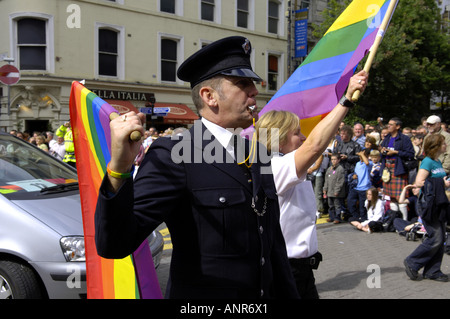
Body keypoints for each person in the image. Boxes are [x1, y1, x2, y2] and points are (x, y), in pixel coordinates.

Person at [94, 36, 302, 299]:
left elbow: (273, 248)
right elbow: (115, 244)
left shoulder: (258, 155)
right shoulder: (173, 155)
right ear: (210, 96)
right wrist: (119, 167)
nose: (254, 91)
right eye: (242, 83)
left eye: (252, 82)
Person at [254, 71, 369, 298]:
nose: (303, 138)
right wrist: (346, 98)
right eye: (297, 133)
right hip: (285, 270)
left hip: (301, 270)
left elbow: (314, 153)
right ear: (278, 138)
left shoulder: (279, 166)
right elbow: (315, 146)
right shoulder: (275, 167)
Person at [404, 134, 450, 282]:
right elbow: (419, 182)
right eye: (443, 143)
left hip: (438, 203)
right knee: (436, 238)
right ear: (435, 146)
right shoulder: (427, 162)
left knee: (441, 238)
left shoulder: (437, 161)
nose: (446, 145)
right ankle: (413, 261)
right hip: (428, 204)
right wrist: (442, 183)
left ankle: (433, 271)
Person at [380, 117, 415, 202]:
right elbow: (382, 154)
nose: (388, 126)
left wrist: (395, 152)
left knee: (400, 197)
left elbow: (411, 154)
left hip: (399, 169)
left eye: (391, 125)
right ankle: (393, 214)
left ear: (398, 126)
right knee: (390, 198)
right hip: (387, 168)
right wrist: (382, 151)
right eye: (388, 124)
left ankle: (404, 215)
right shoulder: (387, 138)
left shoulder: (404, 139)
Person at [347, 143, 373, 222]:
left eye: (363, 155)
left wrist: (363, 154)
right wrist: (353, 177)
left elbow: (367, 163)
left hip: (364, 188)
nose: (360, 157)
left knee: (362, 206)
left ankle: (364, 219)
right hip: (356, 187)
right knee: (350, 202)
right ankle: (356, 216)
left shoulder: (369, 163)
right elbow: (355, 173)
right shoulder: (358, 164)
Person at [323, 153, 346, 223]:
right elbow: (326, 180)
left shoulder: (340, 169)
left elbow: (340, 181)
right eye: (332, 159)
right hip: (329, 190)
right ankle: (331, 216)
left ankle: (337, 218)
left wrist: (337, 190)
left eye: (335, 159)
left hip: (336, 191)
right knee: (330, 205)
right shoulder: (329, 169)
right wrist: (325, 189)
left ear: (338, 160)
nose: (333, 161)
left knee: (337, 205)